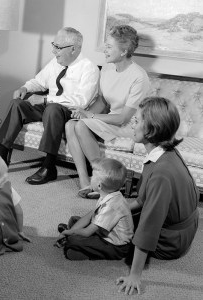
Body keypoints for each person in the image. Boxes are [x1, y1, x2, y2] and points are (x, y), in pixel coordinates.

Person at [0, 27, 100, 185]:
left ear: (73, 49)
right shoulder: (56, 62)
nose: (53, 50)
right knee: (18, 104)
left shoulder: (89, 69)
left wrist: (45, 100)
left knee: (52, 109)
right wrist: (25, 88)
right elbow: (39, 81)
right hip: (50, 105)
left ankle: (49, 166)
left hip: (70, 112)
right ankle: (0, 157)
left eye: (57, 47)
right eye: (53, 45)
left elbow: (80, 102)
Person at [116, 97, 199, 295]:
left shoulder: (161, 173)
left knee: (116, 234)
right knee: (113, 215)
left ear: (152, 129)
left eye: (136, 121)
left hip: (171, 242)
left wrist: (135, 274)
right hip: (184, 229)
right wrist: (120, 208)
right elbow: (144, 200)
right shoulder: (166, 153)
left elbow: (149, 226)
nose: (132, 124)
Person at [65, 25, 150, 199]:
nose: (105, 49)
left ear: (124, 51)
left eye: (110, 46)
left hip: (131, 125)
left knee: (81, 126)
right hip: (110, 119)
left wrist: (89, 116)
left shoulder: (139, 77)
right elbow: (103, 100)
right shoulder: (108, 68)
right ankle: (84, 181)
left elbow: (123, 118)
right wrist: (82, 112)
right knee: (70, 124)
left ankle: (103, 181)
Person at [55, 158, 133, 261]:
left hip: (116, 246)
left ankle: (83, 251)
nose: (90, 178)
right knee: (74, 220)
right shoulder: (107, 193)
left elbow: (87, 232)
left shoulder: (112, 206)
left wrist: (67, 233)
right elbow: (89, 216)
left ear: (99, 185)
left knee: (74, 240)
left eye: (92, 176)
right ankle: (75, 237)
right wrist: (71, 230)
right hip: (102, 232)